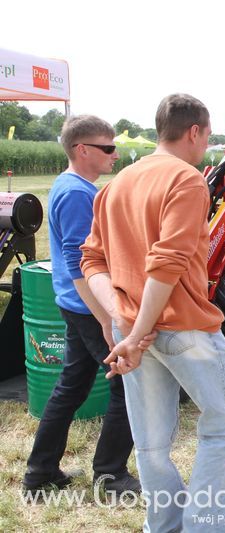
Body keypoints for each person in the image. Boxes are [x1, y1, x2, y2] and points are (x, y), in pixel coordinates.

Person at [80, 94, 225, 532]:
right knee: (222, 429)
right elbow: (167, 263)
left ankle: (168, 525)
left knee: (151, 444)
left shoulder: (115, 186)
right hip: (182, 328)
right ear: (194, 132)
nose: (206, 146)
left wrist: (125, 320)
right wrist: (135, 330)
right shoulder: (188, 181)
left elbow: (92, 262)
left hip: (137, 330)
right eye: (207, 137)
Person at [23, 116, 143, 495]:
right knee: (128, 389)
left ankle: (40, 475)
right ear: (82, 149)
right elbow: (79, 266)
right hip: (86, 306)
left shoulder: (70, 184)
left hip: (75, 305)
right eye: (107, 147)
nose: (115, 153)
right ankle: (111, 477)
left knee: (71, 387)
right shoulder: (77, 193)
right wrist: (107, 319)